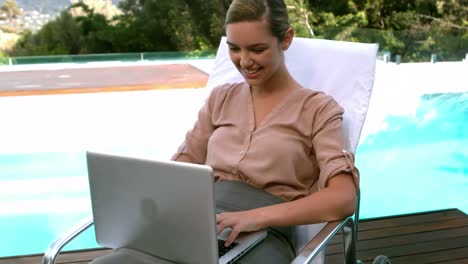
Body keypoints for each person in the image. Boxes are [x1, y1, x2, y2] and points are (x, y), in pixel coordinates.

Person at [172, 0, 359, 262]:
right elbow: (182, 166)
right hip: (200, 222)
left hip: (266, 234)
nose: (244, 61)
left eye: (257, 49)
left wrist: (255, 217)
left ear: (286, 39)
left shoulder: (318, 110)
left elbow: (343, 197)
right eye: (234, 49)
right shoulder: (221, 99)